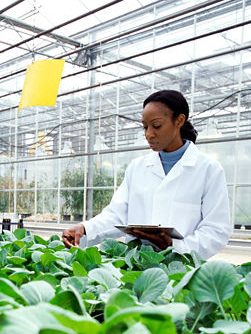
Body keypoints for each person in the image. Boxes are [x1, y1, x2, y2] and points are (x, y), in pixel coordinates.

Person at [62, 90, 230, 259]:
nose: (149, 134)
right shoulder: (138, 167)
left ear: (179, 121)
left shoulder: (208, 169)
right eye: (145, 127)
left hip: (182, 269)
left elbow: (216, 229)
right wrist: (84, 229)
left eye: (156, 126)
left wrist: (176, 246)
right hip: (136, 265)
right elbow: (117, 215)